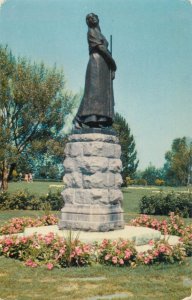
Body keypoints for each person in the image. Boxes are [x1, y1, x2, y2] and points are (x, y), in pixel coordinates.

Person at [74, 13, 117, 128]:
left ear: (98, 18)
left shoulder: (99, 33)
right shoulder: (91, 32)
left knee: (102, 93)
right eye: (88, 18)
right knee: (92, 93)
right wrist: (113, 63)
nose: (91, 19)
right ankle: (78, 119)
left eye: (93, 17)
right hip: (96, 63)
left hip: (104, 65)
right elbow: (101, 48)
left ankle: (98, 120)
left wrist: (110, 66)